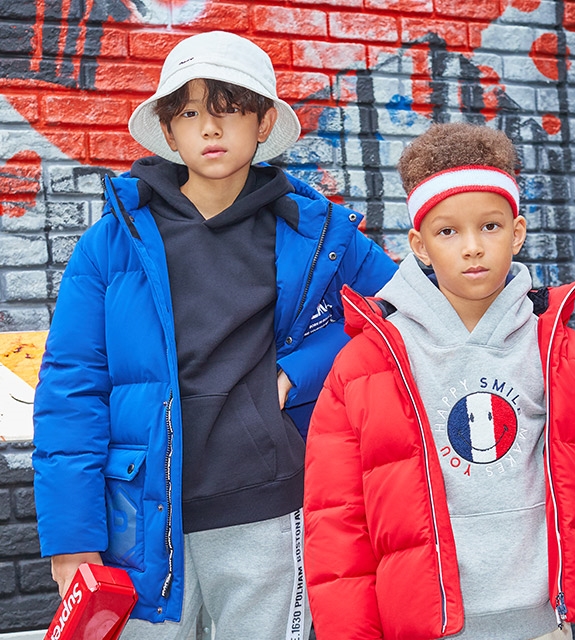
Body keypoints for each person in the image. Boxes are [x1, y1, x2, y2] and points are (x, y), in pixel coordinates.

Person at [32, 30, 397, 640]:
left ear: (263, 124)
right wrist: (72, 536)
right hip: (138, 517)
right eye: (190, 113)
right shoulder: (112, 242)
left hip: (269, 505)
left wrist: (301, 370)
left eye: (229, 110)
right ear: (168, 130)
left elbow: (400, 309)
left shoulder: (315, 232)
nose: (209, 128)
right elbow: (71, 388)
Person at [303, 122, 575, 640]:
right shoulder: (366, 365)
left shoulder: (565, 356)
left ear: (517, 232)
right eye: (447, 232)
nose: (472, 247)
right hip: (422, 629)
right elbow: (336, 519)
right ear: (419, 245)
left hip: (543, 626)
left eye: (490, 226)